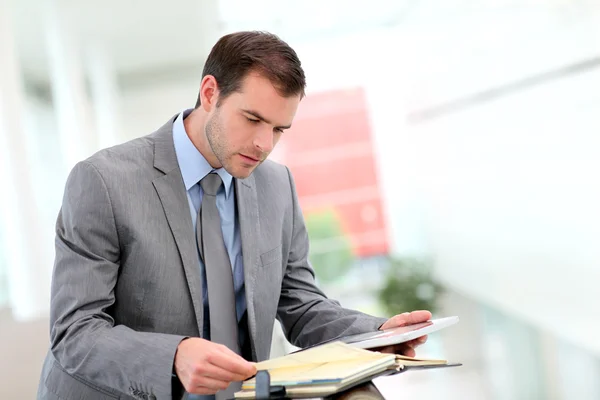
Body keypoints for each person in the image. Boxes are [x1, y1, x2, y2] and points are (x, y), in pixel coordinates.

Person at [37, 31, 431, 400]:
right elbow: (75, 332)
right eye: (253, 119)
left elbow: (299, 304)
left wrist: (375, 333)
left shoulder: (276, 185)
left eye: (279, 129)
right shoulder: (104, 181)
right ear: (210, 93)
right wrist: (173, 355)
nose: (264, 145)